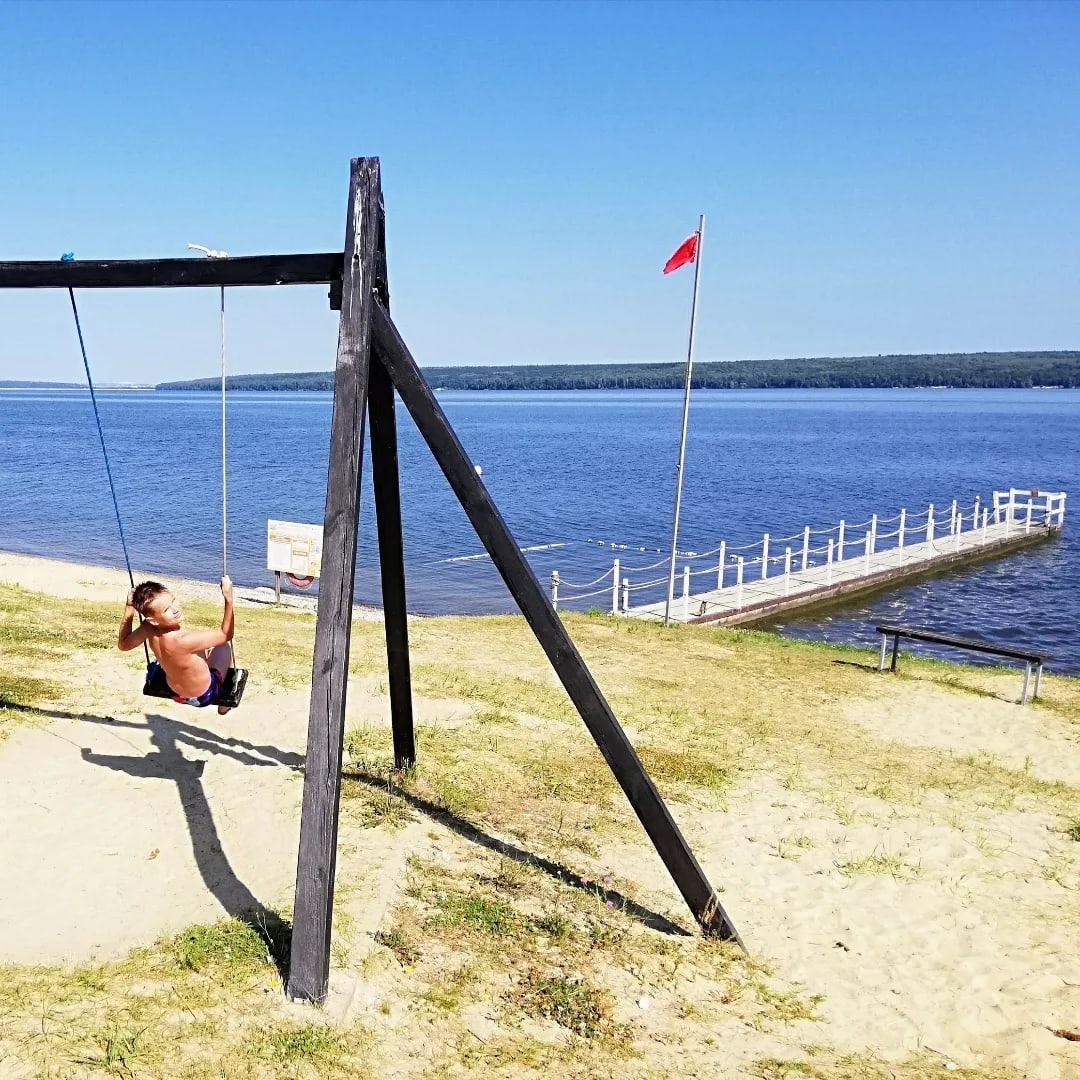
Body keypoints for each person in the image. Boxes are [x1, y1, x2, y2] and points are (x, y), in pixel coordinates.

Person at [118, 577, 235, 714]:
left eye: (173, 600)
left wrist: (129, 608)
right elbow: (225, 635)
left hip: (175, 693)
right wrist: (228, 598)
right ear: (153, 620)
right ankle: (224, 705)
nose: (175, 609)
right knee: (223, 647)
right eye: (166, 609)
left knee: (200, 650)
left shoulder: (148, 627)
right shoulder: (183, 640)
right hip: (203, 695)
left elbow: (124, 645)